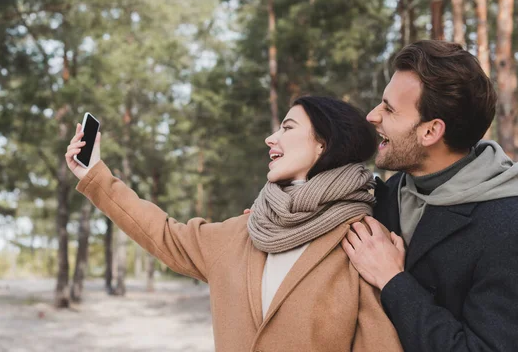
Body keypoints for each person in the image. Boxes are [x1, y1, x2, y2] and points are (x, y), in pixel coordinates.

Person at [66, 96, 402, 352]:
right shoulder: (245, 230)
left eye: (287, 128)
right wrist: (94, 174)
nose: (271, 138)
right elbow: (164, 233)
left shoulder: (365, 242)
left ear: (323, 143)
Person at [342, 40, 518, 352]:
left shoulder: (508, 226)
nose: (372, 116)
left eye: (389, 109)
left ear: (430, 132)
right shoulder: (388, 195)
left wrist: (393, 281)